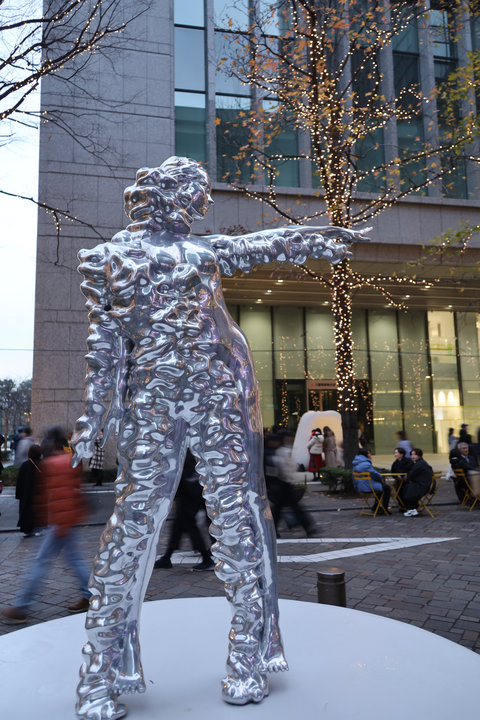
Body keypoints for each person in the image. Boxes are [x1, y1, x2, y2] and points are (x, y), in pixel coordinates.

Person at [70, 156, 364, 716]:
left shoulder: (202, 252)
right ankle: (99, 671)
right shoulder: (108, 259)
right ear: (174, 196)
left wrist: (314, 239)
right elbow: (104, 346)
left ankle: (246, 656)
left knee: (237, 516)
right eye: (198, 194)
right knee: (134, 523)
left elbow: (258, 245)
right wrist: (93, 417)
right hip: (155, 398)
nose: (204, 204)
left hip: (221, 391)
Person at [2, 427, 90, 623]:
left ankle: (21, 607)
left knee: (40, 563)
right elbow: (77, 490)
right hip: (68, 521)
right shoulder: (71, 460)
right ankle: (89, 595)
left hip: (59, 523)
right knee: (75, 560)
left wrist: (44, 520)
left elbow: (50, 497)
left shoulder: (51, 464)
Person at [154, 450, 214, 570]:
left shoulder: (177, 452)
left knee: (188, 525)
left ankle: (206, 558)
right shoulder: (185, 453)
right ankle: (167, 557)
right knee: (178, 526)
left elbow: (176, 473)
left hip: (188, 492)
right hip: (192, 489)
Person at [269, 434, 316, 538]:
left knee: (281, 509)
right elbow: (283, 467)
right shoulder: (280, 451)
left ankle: (308, 527)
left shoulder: (280, 450)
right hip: (281, 483)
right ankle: (308, 527)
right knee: (287, 508)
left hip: (281, 483)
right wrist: (288, 478)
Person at [352, 448, 391, 514]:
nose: (370, 455)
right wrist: (380, 477)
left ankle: (375, 506)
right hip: (367, 486)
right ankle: (385, 508)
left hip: (360, 486)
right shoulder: (365, 464)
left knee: (380, 488)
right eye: (369, 453)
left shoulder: (356, 463)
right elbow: (374, 474)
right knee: (387, 488)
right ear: (366, 454)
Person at [15, 444, 42, 537]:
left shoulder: (25, 465)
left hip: (26, 494)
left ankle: (27, 530)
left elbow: (19, 481)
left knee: (26, 511)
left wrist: (18, 495)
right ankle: (38, 529)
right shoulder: (42, 464)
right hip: (39, 493)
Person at [400, 448, 434, 517]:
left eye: (415, 454)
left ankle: (412, 509)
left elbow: (411, 475)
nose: (412, 456)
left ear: (419, 455)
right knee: (407, 487)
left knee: (405, 488)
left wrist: (406, 477)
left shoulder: (419, 464)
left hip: (423, 486)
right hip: (425, 485)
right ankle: (412, 508)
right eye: (411, 455)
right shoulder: (421, 462)